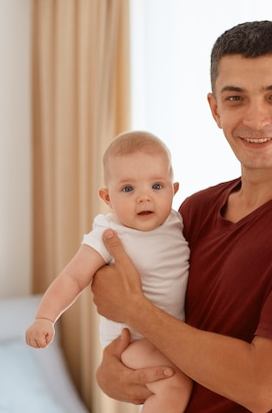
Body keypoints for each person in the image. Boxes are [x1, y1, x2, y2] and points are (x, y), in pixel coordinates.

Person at [91, 21, 272, 413]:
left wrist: (134, 308)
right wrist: (109, 372)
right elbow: (147, 335)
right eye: (237, 98)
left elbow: (260, 386)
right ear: (215, 109)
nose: (257, 119)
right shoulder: (193, 211)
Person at [25, 130, 192, 413]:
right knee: (173, 381)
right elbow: (73, 277)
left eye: (157, 186)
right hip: (132, 342)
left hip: (169, 336)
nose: (144, 198)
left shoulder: (177, 223)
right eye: (128, 189)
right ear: (107, 197)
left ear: (174, 190)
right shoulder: (109, 232)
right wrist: (45, 317)